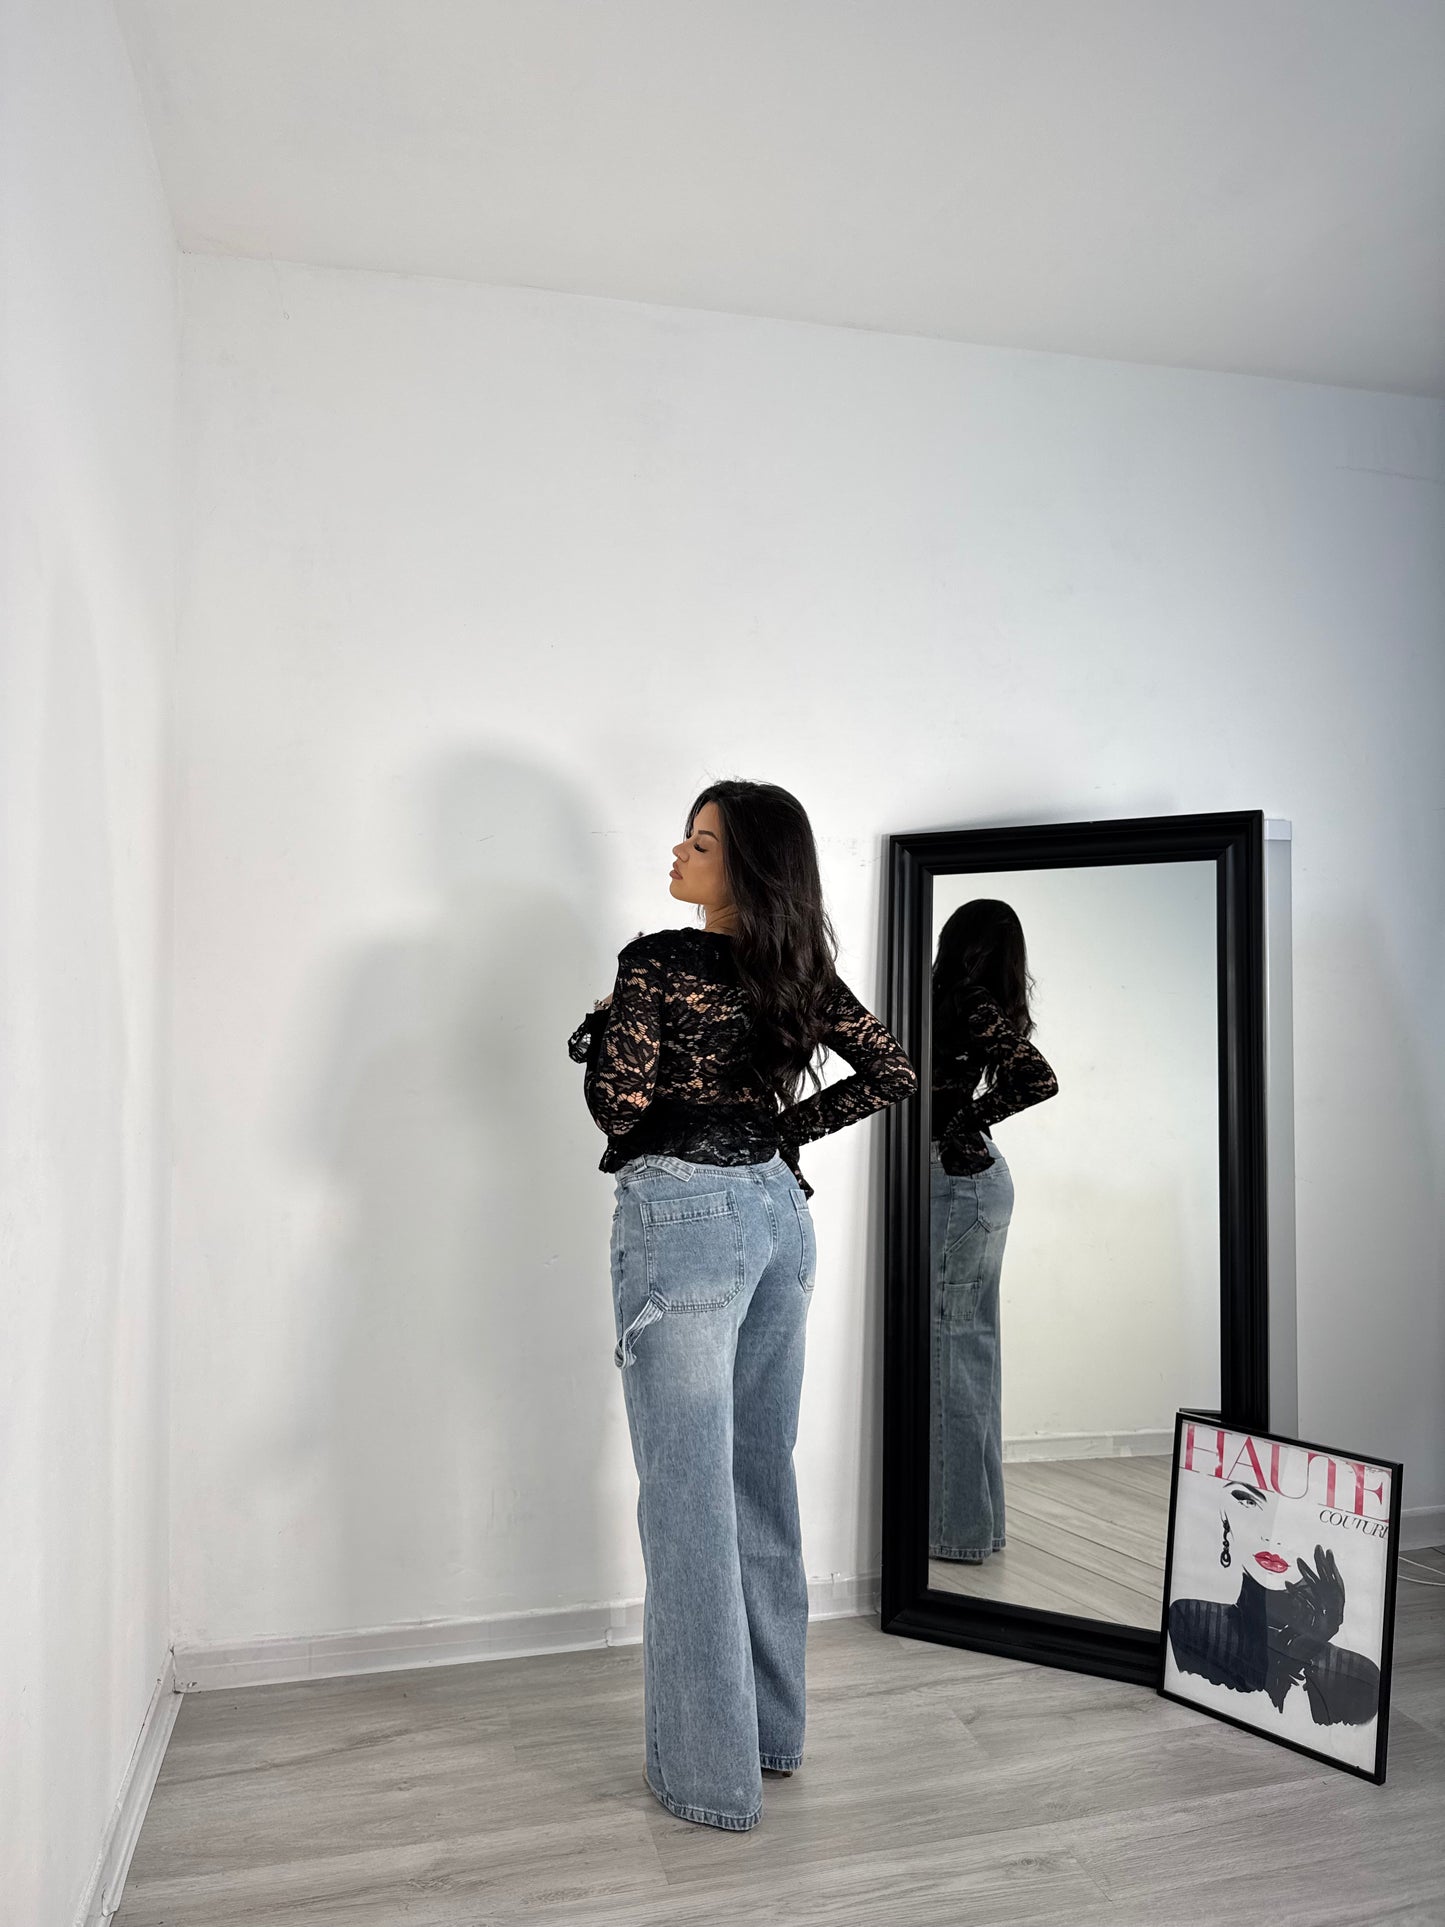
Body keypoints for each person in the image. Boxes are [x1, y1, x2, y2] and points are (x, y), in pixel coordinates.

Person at [566, 780, 917, 1832]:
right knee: (758, 1478)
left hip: (684, 1218)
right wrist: (777, 1131)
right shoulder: (796, 971)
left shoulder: (657, 961)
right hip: (777, 1214)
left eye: (702, 841)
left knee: (686, 1498)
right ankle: (770, 1737)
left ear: (747, 864)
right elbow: (892, 1070)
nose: (678, 852)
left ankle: (706, 1778)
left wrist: (605, 1029)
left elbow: (619, 1105)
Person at [929, 899, 1058, 1562]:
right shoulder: (953, 1000)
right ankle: (975, 1524)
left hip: (961, 1184)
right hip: (969, 1183)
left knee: (956, 1348)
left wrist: (962, 1119)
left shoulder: (963, 998)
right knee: (966, 1348)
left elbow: (1037, 1078)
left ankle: (957, 1531)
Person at [1168, 1479, 1381, 1726]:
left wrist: (1310, 1647)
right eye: (1248, 1502)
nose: (1271, 1534)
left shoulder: (1357, 1677)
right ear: (1225, 1517)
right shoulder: (1190, 1622)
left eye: (1298, 1511)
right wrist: (1289, 1660)